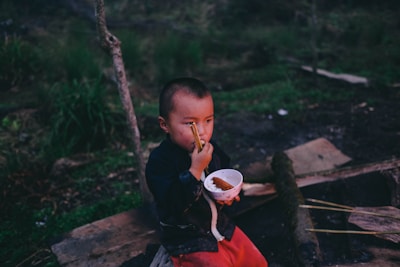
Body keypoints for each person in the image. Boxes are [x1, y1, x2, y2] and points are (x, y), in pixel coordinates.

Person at [146, 77, 268, 267]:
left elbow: (222, 177)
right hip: (187, 237)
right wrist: (195, 169)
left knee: (257, 263)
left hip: (220, 226)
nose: (202, 131)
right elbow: (173, 204)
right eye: (191, 124)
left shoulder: (213, 150)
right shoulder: (160, 162)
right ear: (165, 125)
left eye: (208, 120)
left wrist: (229, 196)